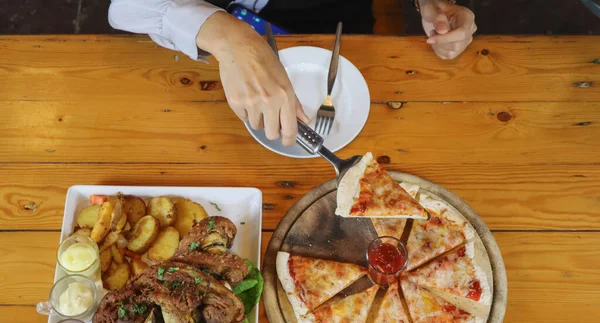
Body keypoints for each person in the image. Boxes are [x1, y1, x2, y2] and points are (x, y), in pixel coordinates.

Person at [108, 0, 476, 146]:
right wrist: (232, 39)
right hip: (196, 44)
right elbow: (125, 6)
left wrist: (431, 3)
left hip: (337, 19)